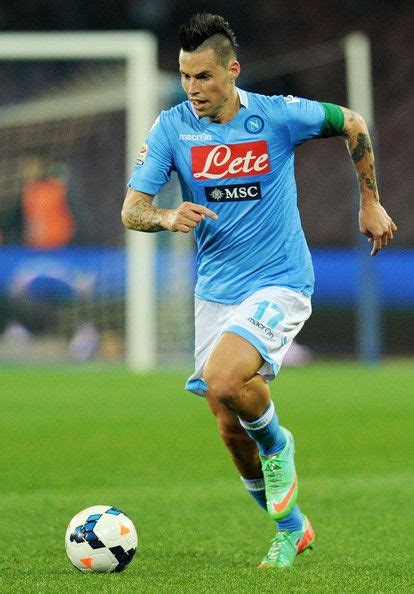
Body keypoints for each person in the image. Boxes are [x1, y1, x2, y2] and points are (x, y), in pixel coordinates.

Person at [121, 13, 397, 569]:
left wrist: (368, 201)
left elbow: (353, 121)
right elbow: (132, 210)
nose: (193, 90)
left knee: (227, 379)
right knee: (227, 426)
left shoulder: (275, 116)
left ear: (232, 70)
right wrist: (167, 216)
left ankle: (279, 444)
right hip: (215, 291)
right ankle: (291, 528)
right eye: (185, 77)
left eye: (204, 77)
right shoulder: (172, 128)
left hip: (280, 281)